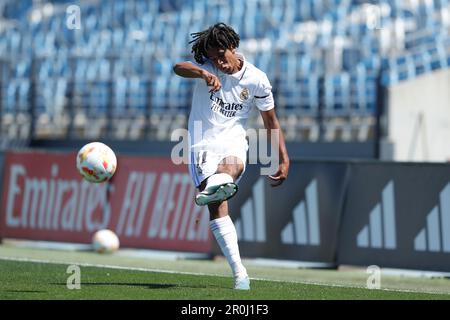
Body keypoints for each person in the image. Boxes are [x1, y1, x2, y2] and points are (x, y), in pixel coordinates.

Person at [173, 23, 289, 290]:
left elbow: (271, 122)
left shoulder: (257, 79)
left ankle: (215, 184)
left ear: (233, 47)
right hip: (202, 142)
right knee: (218, 204)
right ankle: (240, 273)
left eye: (221, 56)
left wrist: (283, 158)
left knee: (230, 168)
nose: (219, 63)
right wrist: (203, 72)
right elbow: (178, 68)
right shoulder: (207, 65)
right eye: (213, 58)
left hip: (233, 141)